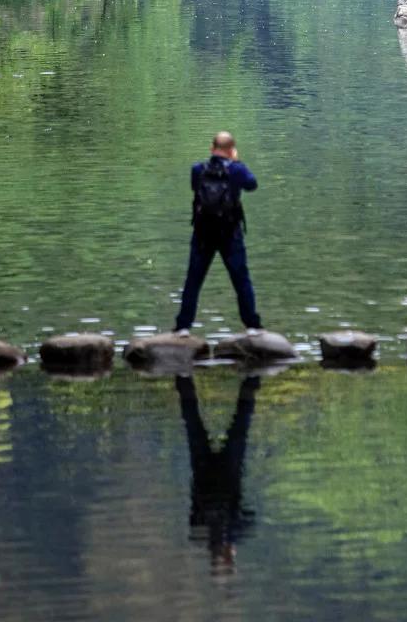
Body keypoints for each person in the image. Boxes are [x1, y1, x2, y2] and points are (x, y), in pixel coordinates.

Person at [174, 131, 262, 335]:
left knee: (193, 281)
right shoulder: (237, 170)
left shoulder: (197, 169)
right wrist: (236, 162)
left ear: (212, 148)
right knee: (241, 280)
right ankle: (252, 325)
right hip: (230, 234)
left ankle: (183, 327)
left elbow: (194, 188)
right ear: (231, 150)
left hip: (202, 233)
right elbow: (252, 185)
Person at [176, 372, 259, 573]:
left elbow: (250, 518)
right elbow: (249, 518)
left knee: (240, 424)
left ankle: (252, 376)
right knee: (193, 423)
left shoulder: (223, 532)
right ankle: (182, 376)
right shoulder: (200, 533)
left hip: (225, 473)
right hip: (206, 471)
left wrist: (229, 541)